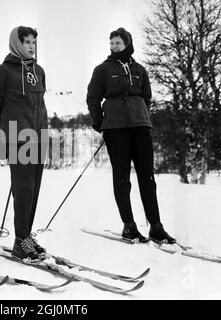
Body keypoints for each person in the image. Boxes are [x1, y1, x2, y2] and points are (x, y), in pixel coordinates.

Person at [86, 27, 175, 244]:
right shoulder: (102, 70)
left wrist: (139, 114)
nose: (114, 46)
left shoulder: (140, 70)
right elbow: (93, 98)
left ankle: (156, 226)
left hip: (140, 126)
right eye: (112, 43)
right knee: (122, 177)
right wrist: (100, 123)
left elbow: (147, 98)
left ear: (127, 43)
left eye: (118, 43)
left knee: (148, 177)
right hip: (116, 128)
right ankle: (129, 225)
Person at [0, 26, 48, 262]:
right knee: (22, 189)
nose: (31, 46)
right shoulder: (3, 72)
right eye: (26, 42)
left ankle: (27, 236)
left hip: (39, 136)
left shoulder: (39, 71)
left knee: (33, 189)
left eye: (33, 42)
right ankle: (20, 240)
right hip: (16, 135)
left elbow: (39, 105)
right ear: (16, 44)